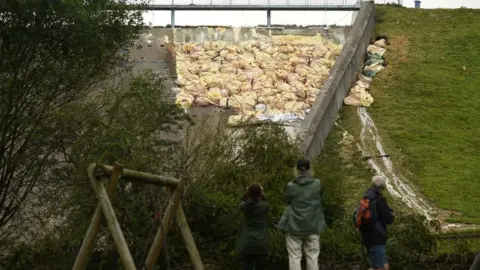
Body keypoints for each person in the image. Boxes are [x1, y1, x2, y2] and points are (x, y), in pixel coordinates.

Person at [278, 159, 326, 270]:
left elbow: (286, 201)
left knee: (294, 257)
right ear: (310, 169)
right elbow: (320, 197)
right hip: (313, 225)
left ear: (296, 169)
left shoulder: (291, 186)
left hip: (294, 226)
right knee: (313, 257)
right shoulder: (317, 184)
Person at [359, 176, 395, 270]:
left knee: (381, 265)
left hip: (366, 235)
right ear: (382, 187)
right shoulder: (379, 199)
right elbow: (389, 219)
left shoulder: (366, 196)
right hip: (377, 236)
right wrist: (391, 214)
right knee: (381, 268)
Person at [236, 184, 270, 270]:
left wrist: (247, 194)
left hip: (247, 243)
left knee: (247, 267)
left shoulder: (244, 206)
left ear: (249, 194)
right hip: (261, 243)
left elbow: (242, 201)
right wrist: (262, 194)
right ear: (260, 194)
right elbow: (266, 202)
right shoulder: (264, 206)